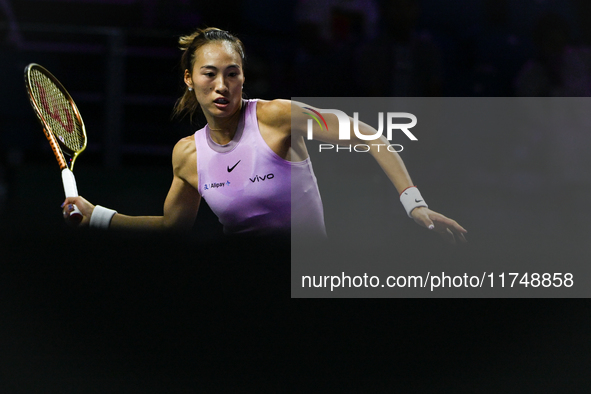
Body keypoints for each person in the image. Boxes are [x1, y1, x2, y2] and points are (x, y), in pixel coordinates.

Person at [62, 27, 467, 244]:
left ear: (243, 77)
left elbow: (369, 135)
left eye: (232, 73)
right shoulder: (188, 155)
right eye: (209, 74)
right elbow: (172, 228)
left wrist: (414, 205)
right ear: (189, 80)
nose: (222, 85)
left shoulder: (277, 117)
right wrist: (97, 215)